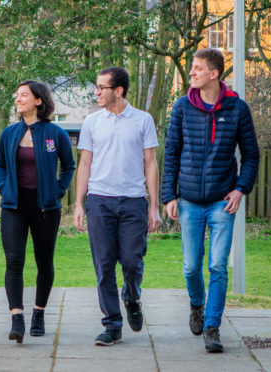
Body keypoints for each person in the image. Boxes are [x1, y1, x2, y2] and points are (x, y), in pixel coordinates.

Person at [162, 48, 260, 353]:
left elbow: (252, 155)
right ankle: (196, 305)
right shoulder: (181, 108)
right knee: (191, 267)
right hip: (189, 201)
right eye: (192, 68)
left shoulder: (237, 109)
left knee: (217, 265)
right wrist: (169, 196)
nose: (191, 73)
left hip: (222, 201)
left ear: (214, 74)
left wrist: (241, 188)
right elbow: (171, 154)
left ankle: (212, 327)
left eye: (197, 68)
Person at [73, 67, 161, 346]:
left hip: (134, 201)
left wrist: (154, 206)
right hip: (99, 201)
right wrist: (78, 204)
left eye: (101, 87)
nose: (96, 92)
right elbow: (84, 164)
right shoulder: (91, 122)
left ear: (118, 91)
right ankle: (112, 324)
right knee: (104, 265)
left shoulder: (143, 120)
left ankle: (131, 297)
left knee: (133, 261)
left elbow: (150, 163)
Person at [0, 80, 75, 343]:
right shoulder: (9, 133)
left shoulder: (56, 134)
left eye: (23, 95)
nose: (17, 99)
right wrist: (3, 187)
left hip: (46, 208)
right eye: (16, 95)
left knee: (44, 261)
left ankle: (38, 313)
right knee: (14, 260)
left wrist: (58, 191)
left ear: (38, 101)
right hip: (14, 207)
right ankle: (16, 318)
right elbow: (0, 166)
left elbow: (68, 167)